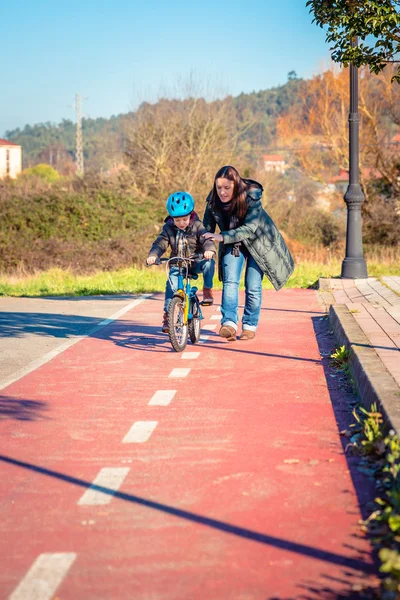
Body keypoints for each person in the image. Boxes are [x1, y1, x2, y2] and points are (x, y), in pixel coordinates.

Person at [203, 165, 294, 341]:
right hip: (232, 242)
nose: (222, 192)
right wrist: (203, 245)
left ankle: (249, 326)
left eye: (227, 188)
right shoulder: (213, 201)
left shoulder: (252, 198)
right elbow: (207, 228)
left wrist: (221, 237)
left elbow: (249, 229)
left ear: (236, 186)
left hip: (258, 243)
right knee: (230, 282)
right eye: (219, 187)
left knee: (252, 287)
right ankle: (229, 323)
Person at [147, 191, 216, 333]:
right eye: (177, 220)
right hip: (177, 264)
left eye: (184, 219)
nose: (181, 223)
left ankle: (208, 289)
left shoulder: (197, 225)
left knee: (210, 264)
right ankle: (168, 315)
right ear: (172, 219)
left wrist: (209, 250)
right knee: (171, 286)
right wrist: (153, 255)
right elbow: (160, 243)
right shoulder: (168, 228)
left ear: (190, 215)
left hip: (195, 261)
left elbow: (206, 239)